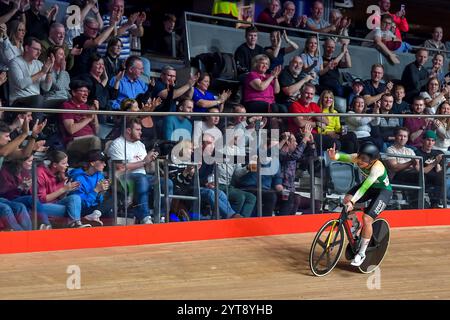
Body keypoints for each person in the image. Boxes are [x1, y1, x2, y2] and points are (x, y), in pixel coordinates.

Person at [327, 142, 393, 267]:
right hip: (370, 188)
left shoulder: (377, 168)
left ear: (373, 161)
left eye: (364, 159)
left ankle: (362, 253)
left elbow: (364, 187)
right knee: (346, 200)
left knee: (367, 218)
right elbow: (342, 157)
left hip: (383, 192)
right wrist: (333, 156)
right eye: (360, 157)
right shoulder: (357, 158)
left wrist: (353, 202)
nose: (360, 161)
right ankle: (356, 225)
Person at [107, 117, 173, 224]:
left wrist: (151, 160)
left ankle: (161, 217)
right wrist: (143, 162)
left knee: (167, 182)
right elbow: (120, 167)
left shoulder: (140, 145)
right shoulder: (117, 144)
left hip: (143, 177)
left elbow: (148, 169)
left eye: (141, 130)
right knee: (142, 178)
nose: (141, 132)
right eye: (138, 130)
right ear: (128, 130)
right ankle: (144, 217)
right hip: (122, 179)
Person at [37, 150, 91, 228]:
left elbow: (59, 197)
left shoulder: (59, 173)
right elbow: (42, 199)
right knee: (71, 209)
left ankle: (76, 224)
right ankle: (74, 224)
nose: (67, 165)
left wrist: (67, 190)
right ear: (55, 165)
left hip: (55, 203)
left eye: (67, 162)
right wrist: (63, 189)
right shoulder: (40, 173)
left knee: (75, 198)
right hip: (40, 206)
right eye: (64, 163)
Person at [68, 150, 113, 225]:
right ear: (92, 163)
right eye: (102, 162)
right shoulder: (78, 178)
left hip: (95, 209)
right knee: (108, 209)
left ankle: (96, 215)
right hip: (83, 210)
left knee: (113, 199)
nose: (105, 165)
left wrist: (101, 192)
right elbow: (81, 204)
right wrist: (96, 190)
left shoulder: (99, 175)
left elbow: (99, 200)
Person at [60, 80, 101, 158]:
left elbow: (96, 131)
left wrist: (94, 112)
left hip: (91, 139)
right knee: (94, 140)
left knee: (109, 143)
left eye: (87, 91)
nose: (86, 94)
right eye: (82, 91)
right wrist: (88, 118)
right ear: (73, 93)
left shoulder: (86, 107)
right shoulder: (67, 106)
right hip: (73, 141)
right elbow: (71, 129)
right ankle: (95, 166)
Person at [415, 130, 445, 208]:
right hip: (422, 177)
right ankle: (434, 203)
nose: (430, 143)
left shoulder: (438, 153)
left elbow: (439, 170)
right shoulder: (417, 153)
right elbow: (421, 171)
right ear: (423, 140)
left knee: (441, 177)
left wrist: (443, 165)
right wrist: (435, 163)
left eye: (432, 141)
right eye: (428, 140)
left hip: (436, 178)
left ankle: (435, 203)